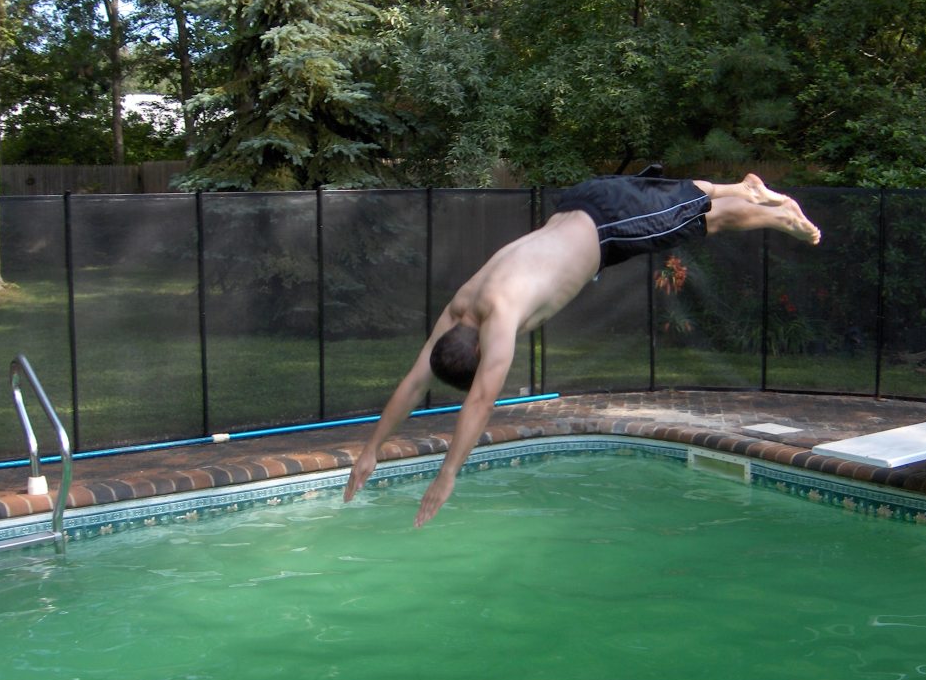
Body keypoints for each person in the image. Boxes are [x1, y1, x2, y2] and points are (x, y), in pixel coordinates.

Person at [343, 170, 821, 526]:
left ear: (480, 351)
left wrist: (447, 475)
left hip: (610, 222)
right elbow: (413, 382)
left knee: (697, 213)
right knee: (692, 217)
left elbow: (480, 402)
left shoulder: (502, 317)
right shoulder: (460, 308)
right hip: (582, 210)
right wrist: (370, 451)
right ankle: (749, 194)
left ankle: (757, 200)